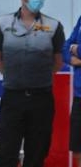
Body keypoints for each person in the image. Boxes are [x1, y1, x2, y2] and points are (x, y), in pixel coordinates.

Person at [0, 0, 65, 167]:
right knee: (6, 153)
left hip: (42, 98)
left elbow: (57, 61)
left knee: (37, 154)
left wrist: (38, 77)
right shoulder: (3, 23)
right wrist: (13, 76)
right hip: (13, 97)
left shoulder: (54, 26)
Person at [62, 15, 81, 167]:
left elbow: (73, 46)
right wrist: (70, 56)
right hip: (79, 95)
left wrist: (76, 48)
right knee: (78, 147)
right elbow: (65, 47)